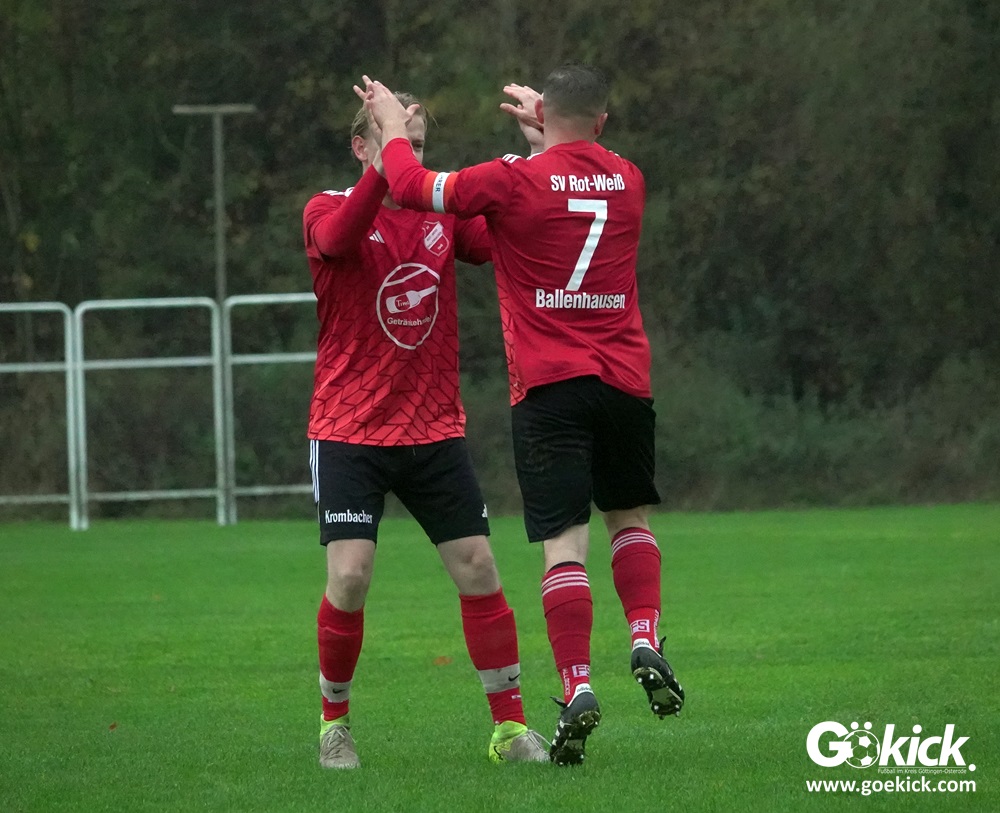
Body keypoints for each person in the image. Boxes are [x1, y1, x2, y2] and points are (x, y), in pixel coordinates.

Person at [358, 64, 685, 766]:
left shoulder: (513, 180)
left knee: (564, 544)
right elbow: (576, 171)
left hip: (549, 387)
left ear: (544, 120)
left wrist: (389, 125)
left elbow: (413, 187)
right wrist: (552, 130)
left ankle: (577, 685)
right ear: (602, 121)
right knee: (629, 518)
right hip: (625, 382)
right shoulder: (630, 179)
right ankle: (644, 636)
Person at [302, 91, 548, 769]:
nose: (407, 152)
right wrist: (389, 162)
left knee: (479, 566)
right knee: (350, 576)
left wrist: (541, 155)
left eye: (415, 142)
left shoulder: (439, 215)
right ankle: (334, 724)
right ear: (362, 147)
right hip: (349, 428)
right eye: (391, 137)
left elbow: (512, 235)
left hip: (434, 427)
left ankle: (510, 729)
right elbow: (339, 239)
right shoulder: (326, 207)